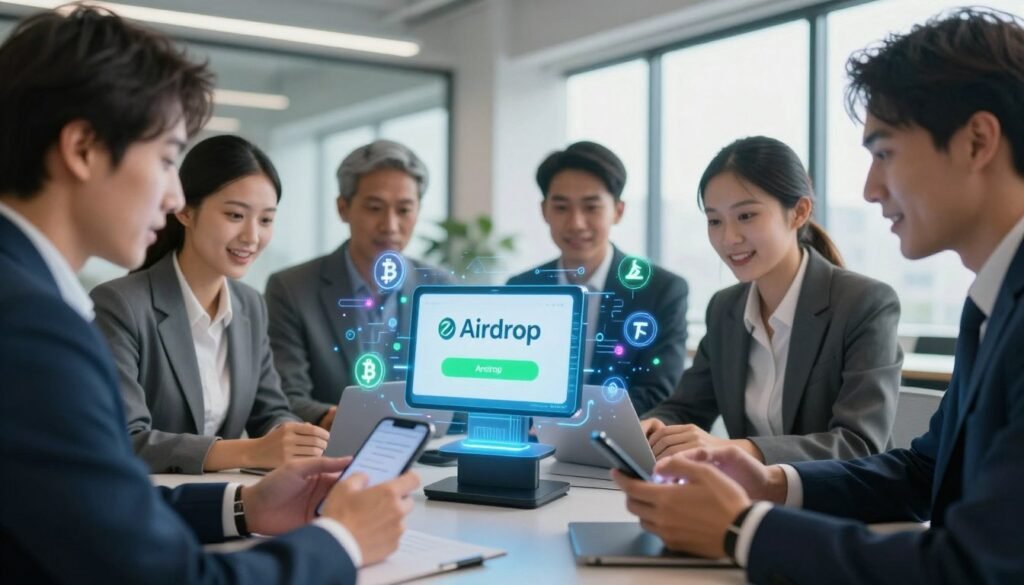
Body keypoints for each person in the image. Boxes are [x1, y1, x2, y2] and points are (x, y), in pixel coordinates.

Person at [0, 7, 416, 584]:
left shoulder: (27, 297)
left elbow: (96, 512)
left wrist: (245, 506)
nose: (173, 195)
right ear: (83, 148)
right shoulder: (31, 325)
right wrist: (341, 541)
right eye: (168, 157)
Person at [613, 8, 1024, 584]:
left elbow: (976, 568)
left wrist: (740, 530)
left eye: (883, 152)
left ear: (977, 140)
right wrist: (771, 481)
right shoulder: (991, 304)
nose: (870, 188)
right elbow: (921, 474)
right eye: (713, 220)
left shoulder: (891, 301)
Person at [640, 136, 901, 464]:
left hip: (836, 505)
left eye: (746, 216)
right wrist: (651, 427)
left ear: (799, 212)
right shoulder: (725, 309)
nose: (728, 238)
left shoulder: (864, 304)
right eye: (714, 220)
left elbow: (858, 445)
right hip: (747, 501)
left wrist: (730, 449)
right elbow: (685, 408)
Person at [91, 135, 329, 474]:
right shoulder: (120, 305)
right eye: (235, 215)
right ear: (186, 211)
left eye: (265, 220)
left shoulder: (250, 306)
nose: (252, 236)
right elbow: (126, 439)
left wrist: (296, 441)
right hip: (145, 505)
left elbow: (271, 412)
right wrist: (248, 452)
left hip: (230, 504)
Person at [266, 140, 451, 429]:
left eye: (404, 210)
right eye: (374, 208)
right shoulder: (291, 288)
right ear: (343, 208)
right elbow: (285, 396)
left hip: (427, 452)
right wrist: (337, 417)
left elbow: (455, 390)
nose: (389, 226)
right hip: (331, 454)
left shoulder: (440, 287)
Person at [507, 141, 689, 415]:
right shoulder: (521, 289)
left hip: (616, 447)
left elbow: (657, 390)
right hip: (530, 443)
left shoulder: (661, 290)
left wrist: (576, 421)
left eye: (591, 208)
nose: (576, 223)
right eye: (561, 208)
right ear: (544, 211)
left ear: (618, 210)